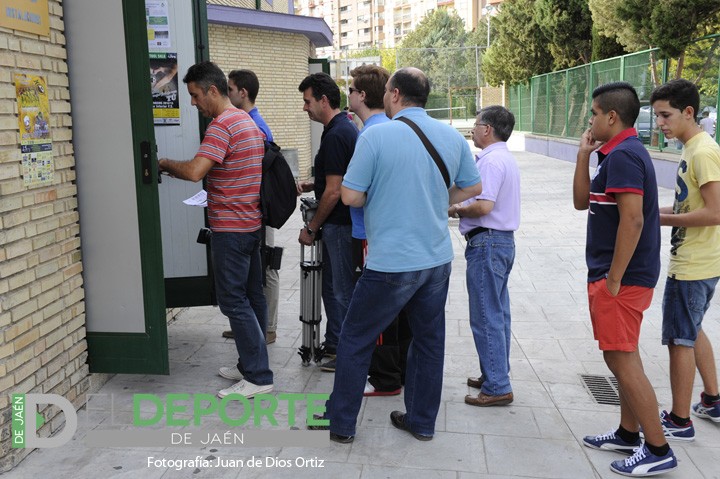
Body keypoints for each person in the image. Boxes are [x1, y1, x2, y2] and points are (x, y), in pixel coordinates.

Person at [311, 67, 482, 443]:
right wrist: (438, 200)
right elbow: (473, 186)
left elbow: (351, 196)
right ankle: (421, 422)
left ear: (396, 94)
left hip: (391, 262)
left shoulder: (376, 137)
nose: (385, 95)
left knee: (355, 338)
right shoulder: (451, 136)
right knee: (428, 341)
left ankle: (340, 424)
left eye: (388, 90)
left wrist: (385, 198)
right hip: (436, 260)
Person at [574, 81, 677, 477]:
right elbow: (583, 202)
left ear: (611, 116)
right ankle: (628, 432)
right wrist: (584, 155)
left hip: (622, 277)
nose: (591, 120)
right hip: (614, 274)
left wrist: (614, 278)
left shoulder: (624, 156)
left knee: (620, 358)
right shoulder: (614, 153)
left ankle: (657, 447)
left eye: (594, 114)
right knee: (621, 355)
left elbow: (632, 220)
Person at [158, 61, 273, 399]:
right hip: (251, 226)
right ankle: (249, 363)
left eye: (195, 95)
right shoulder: (246, 121)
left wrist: (164, 163)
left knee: (233, 302)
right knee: (252, 298)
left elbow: (195, 171)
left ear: (211, 90)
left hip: (231, 231)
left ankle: (258, 376)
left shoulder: (222, 126)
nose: (193, 103)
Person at [650, 79, 720, 439]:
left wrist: (663, 219)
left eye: (666, 115)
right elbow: (686, 205)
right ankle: (712, 399)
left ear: (688, 112)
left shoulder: (703, 151)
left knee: (680, 340)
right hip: (697, 261)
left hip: (694, 263)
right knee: (691, 330)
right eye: (657, 115)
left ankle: (679, 420)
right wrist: (652, 211)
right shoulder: (691, 147)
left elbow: (714, 212)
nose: (660, 123)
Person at [449, 106, 520, 407]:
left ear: (488, 129)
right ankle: (494, 373)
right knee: (498, 313)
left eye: (476, 124)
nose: (473, 130)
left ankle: (497, 386)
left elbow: (483, 206)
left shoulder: (490, 162)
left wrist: (456, 210)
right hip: (500, 243)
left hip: (488, 243)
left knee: (485, 315)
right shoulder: (504, 157)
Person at [347, 64, 404, 397]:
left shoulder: (371, 133)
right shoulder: (394, 128)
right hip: (384, 232)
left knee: (375, 308)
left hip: (369, 233)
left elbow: (356, 193)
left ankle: (385, 378)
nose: (348, 96)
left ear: (362, 95)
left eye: (351, 90)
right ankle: (397, 371)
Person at [296, 72, 358, 370]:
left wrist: (311, 227)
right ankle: (336, 343)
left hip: (339, 225)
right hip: (342, 224)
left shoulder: (336, 134)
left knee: (339, 289)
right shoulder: (341, 127)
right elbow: (335, 179)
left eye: (308, 101)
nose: (305, 108)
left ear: (323, 100)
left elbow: (334, 191)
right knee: (336, 287)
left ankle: (342, 350)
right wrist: (313, 184)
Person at [224, 68, 278, 345]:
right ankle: (249, 324)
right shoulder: (246, 122)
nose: (227, 93)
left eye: (230, 89)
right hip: (249, 210)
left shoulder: (255, 126)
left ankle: (266, 327)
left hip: (256, 210)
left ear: (242, 93)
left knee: (266, 269)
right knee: (251, 275)